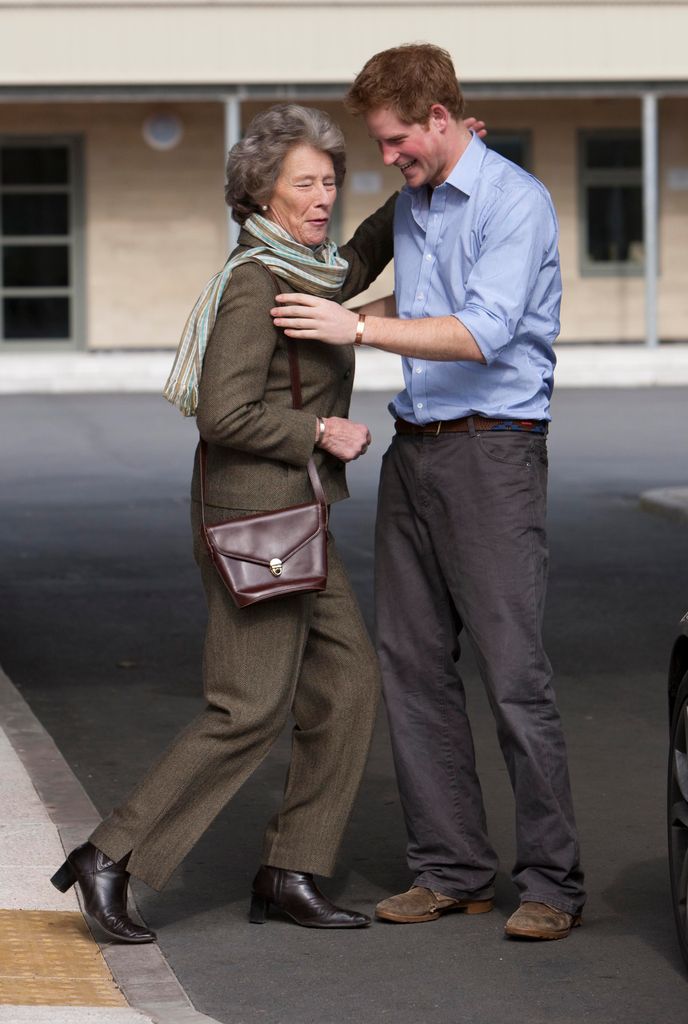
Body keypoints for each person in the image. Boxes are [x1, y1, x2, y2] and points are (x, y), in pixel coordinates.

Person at [50, 103, 397, 940]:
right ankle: (112, 854)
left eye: (331, 181)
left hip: (293, 515)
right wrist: (320, 429)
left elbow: (353, 263)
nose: (324, 197)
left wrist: (422, 179)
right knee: (246, 706)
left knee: (347, 686)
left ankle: (291, 869)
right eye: (305, 184)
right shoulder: (255, 283)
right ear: (262, 195)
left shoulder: (306, 268)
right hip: (256, 520)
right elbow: (222, 413)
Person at [271, 44, 586, 941]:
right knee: (411, 668)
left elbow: (485, 332)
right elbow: (340, 260)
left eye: (399, 139)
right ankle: (452, 870)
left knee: (515, 678)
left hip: (494, 454)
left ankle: (553, 885)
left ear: (443, 119)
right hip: (417, 452)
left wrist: (358, 329)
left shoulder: (515, 203)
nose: (390, 156)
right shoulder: (412, 199)